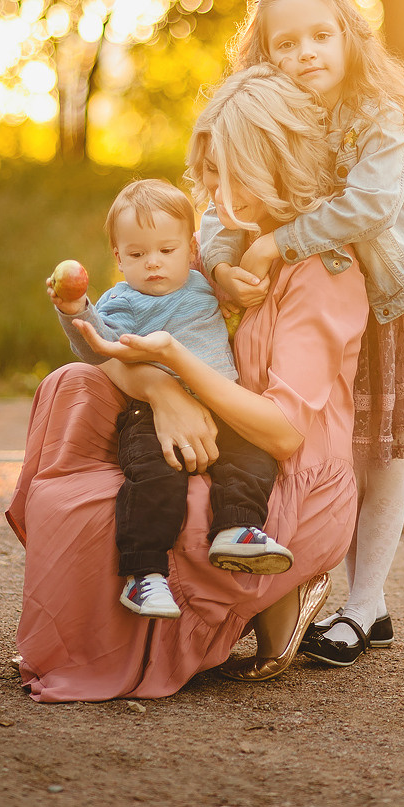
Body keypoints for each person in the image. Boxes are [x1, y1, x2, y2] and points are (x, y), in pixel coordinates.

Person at [6, 65, 369, 700]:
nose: (207, 191)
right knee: (73, 388)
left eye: (224, 176)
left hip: (278, 462)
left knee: (170, 508)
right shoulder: (207, 254)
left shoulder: (325, 273)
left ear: (275, 168)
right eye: (204, 174)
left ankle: (278, 582)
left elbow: (284, 434)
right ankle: (127, 606)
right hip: (205, 425)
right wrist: (163, 391)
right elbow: (109, 350)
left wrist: (179, 363)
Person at [200, 0, 404, 667]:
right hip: (307, 302)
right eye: (285, 44)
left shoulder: (379, 114)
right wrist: (218, 260)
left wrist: (274, 243)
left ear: (349, 38)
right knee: (318, 443)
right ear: (263, 55)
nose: (305, 54)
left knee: (376, 450)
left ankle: (365, 601)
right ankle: (294, 581)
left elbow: (368, 207)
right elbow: (221, 196)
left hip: (385, 299)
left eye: (320, 35)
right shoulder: (269, 109)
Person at [47, 177, 293, 623]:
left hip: (223, 406)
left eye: (166, 250)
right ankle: (144, 574)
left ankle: (235, 528)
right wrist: (74, 308)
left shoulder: (204, 284)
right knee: (156, 479)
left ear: (191, 249)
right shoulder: (122, 300)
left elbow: (233, 282)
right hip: (153, 414)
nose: (153, 264)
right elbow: (94, 344)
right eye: (137, 254)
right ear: (119, 258)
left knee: (252, 457)